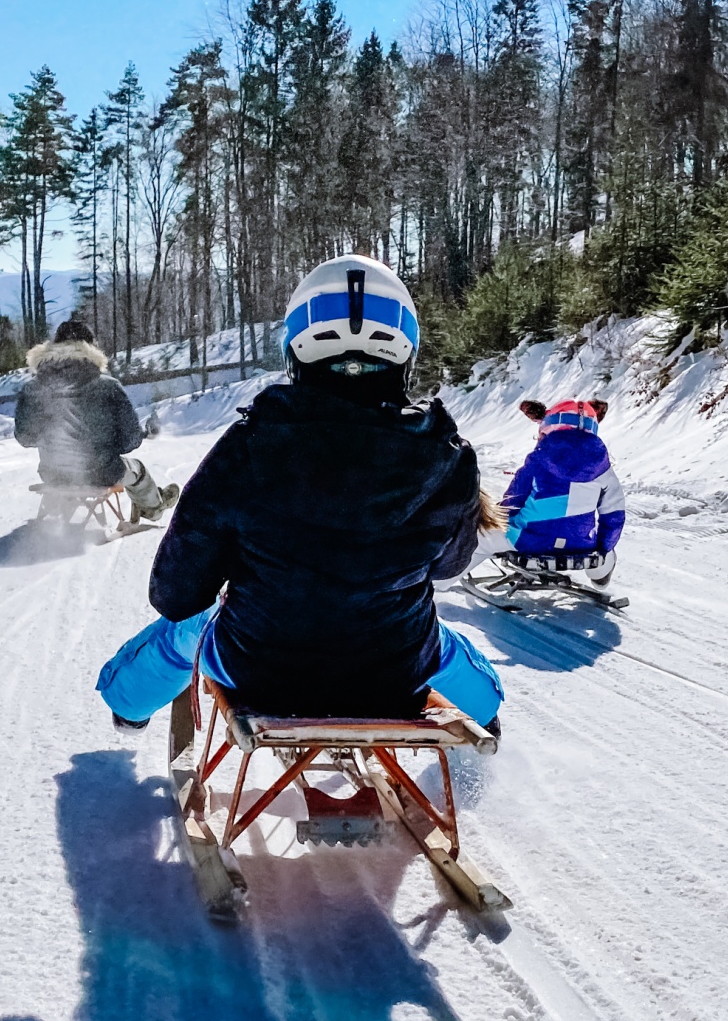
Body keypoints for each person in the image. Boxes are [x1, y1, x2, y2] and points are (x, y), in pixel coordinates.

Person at [96, 254, 504, 731]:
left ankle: (127, 708)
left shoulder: (248, 445)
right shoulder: (449, 456)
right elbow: (450, 567)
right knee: (440, 645)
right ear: (405, 354)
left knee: (181, 633)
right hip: (394, 675)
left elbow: (175, 594)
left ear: (296, 352)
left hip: (258, 673)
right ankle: (489, 719)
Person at [15, 319, 179, 522]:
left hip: (53, 473)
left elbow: (25, 437)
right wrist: (106, 446)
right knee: (138, 469)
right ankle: (154, 508)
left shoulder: (32, 388)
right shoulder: (108, 386)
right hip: (101, 473)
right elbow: (130, 440)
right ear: (90, 347)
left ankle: (61, 509)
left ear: (52, 347)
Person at [498, 398, 626, 586]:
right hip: (581, 547)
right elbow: (614, 514)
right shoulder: (603, 470)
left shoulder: (536, 461)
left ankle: (453, 574)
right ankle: (600, 580)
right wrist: (603, 548)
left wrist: (497, 522)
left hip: (529, 543)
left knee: (484, 534)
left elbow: (511, 503)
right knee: (608, 547)